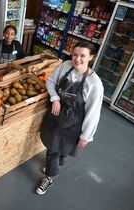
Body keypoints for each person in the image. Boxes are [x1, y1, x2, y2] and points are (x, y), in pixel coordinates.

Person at [36, 41, 104, 195]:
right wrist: (55, 98)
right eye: (74, 54)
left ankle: (49, 176)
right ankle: (52, 170)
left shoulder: (95, 84)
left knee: (62, 148)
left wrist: (86, 135)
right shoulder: (65, 66)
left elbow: (93, 113)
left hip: (73, 123)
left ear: (91, 57)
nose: (77, 59)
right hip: (56, 116)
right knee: (53, 149)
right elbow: (51, 81)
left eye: (82, 56)